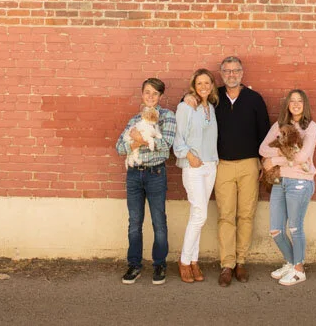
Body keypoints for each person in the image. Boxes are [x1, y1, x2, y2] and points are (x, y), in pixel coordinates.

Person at [211, 56, 270, 286]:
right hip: (222, 164)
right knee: (226, 215)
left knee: (246, 214)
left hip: (249, 164)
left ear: (242, 73)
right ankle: (227, 264)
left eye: (236, 70)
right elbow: (189, 104)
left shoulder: (254, 99)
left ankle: (241, 261)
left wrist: (264, 163)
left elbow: (264, 133)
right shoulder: (213, 97)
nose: (232, 74)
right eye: (227, 70)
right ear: (221, 73)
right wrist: (188, 97)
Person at [115, 77, 177, 285]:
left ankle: (159, 263)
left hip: (155, 174)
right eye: (147, 92)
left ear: (161, 96)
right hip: (133, 174)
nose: (151, 96)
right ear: (142, 94)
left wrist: (138, 140)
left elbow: (166, 145)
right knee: (134, 222)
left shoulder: (167, 116)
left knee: (159, 221)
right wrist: (136, 144)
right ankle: (134, 264)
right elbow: (119, 147)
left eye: (155, 93)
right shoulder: (134, 120)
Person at [259, 89, 316, 286]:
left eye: (299, 101)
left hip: (300, 183)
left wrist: (275, 159)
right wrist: (283, 151)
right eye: (292, 101)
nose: (295, 104)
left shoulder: (311, 127)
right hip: (280, 182)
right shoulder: (279, 125)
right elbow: (262, 148)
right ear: (287, 104)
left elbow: (302, 157)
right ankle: (291, 262)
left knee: (294, 227)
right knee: (276, 230)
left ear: (305, 104)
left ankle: (299, 269)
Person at [173, 68, 219, 283]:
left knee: (197, 216)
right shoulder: (185, 106)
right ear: (194, 85)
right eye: (199, 84)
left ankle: (194, 260)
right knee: (200, 214)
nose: (203, 87)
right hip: (193, 166)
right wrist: (188, 155)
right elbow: (178, 138)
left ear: (212, 86)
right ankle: (184, 260)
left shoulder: (211, 107)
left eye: (207, 83)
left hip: (211, 165)